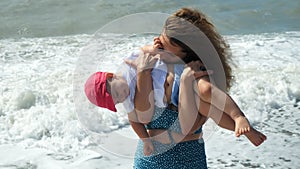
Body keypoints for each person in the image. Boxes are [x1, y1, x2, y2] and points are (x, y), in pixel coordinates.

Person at [132, 8, 266, 168]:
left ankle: (239, 118)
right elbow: (142, 116)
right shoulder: (151, 67)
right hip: (149, 161)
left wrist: (187, 82)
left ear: (187, 52)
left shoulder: (195, 73)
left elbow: (194, 116)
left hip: (189, 160)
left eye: (165, 47)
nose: (158, 47)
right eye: (160, 40)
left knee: (208, 102)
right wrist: (143, 69)